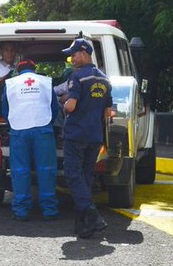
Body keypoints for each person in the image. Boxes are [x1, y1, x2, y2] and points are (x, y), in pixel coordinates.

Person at [61, 38, 112, 239]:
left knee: (73, 175)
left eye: (74, 54)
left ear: (84, 53)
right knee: (86, 177)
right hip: (95, 135)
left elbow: (71, 106)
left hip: (76, 135)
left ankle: (92, 215)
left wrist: (63, 104)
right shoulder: (104, 79)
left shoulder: (78, 77)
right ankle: (83, 225)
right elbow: (108, 112)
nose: (72, 59)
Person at [2, 59, 60, 221]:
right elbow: (54, 108)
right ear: (35, 69)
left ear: (18, 71)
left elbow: (6, 108)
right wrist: (47, 123)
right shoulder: (46, 82)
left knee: (20, 171)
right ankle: (50, 210)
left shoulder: (10, 83)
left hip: (19, 130)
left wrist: (12, 124)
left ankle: (21, 210)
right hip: (42, 129)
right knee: (46, 169)